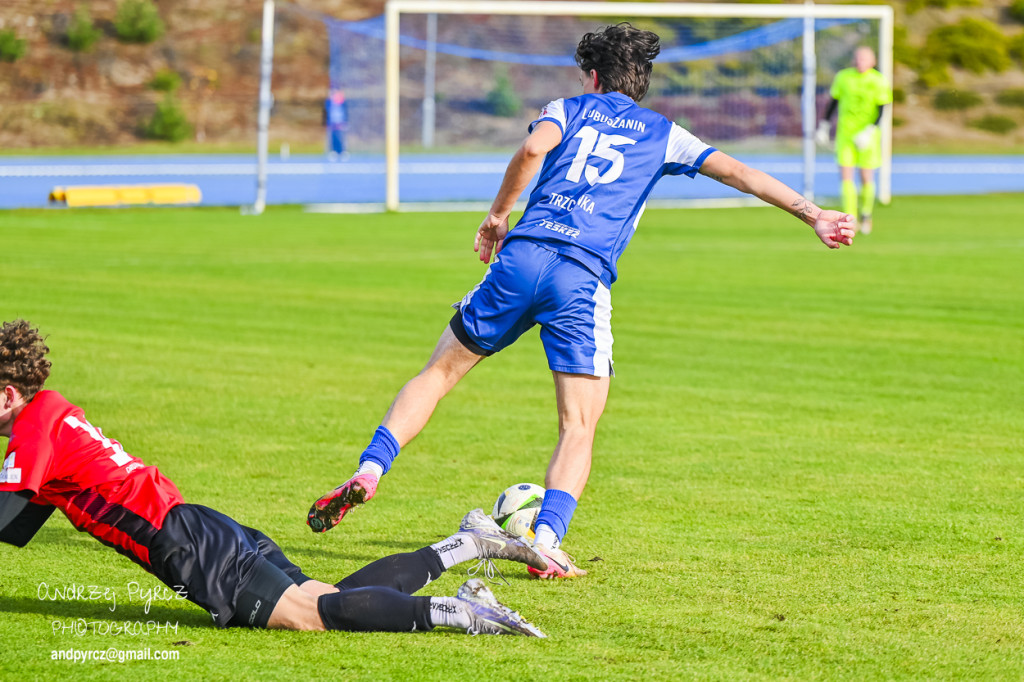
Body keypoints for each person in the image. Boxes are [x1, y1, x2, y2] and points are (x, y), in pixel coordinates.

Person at [308, 24, 855, 578]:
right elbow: (741, 173)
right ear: (639, 80)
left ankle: (372, 470)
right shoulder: (664, 132)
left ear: (593, 75)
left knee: (439, 373)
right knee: (578, 424)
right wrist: (814, 215)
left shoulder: (567, 109)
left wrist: (498, 216)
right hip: (580, 277)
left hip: (520, 259)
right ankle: (545, 541)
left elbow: (531, 149)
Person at [0, 319, 545, 637]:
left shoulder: (31, 431)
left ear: (7, 394)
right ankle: (464, 545)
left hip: (183, 545)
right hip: (198, 527)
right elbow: (18, 524)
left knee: (315, 616)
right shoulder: (49, 411)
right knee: (330, 595)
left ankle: (465, 612)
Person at [816, 46, 893, 235]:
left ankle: (866, 214)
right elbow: (833, 102)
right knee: (846, 175)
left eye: (864, 59)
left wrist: (869, 130)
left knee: (866, 176)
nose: (860, 62)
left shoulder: (878, 80)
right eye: (857, 58)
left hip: (868, 137)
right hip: (845, 134)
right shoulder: (843, 77)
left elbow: (883, 108)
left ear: (873, 61)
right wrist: (824, 125)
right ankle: (850, 218)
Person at [323, 89, 349, 161]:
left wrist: (345, 122)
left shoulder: (342, 103)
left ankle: (342, 152)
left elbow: (345, 112)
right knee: (332, 138)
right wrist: (325, 122)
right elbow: (325, 113)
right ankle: (333, 151)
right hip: (332, 123)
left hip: (340, 123)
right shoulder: (329, 103)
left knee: (341, 138)